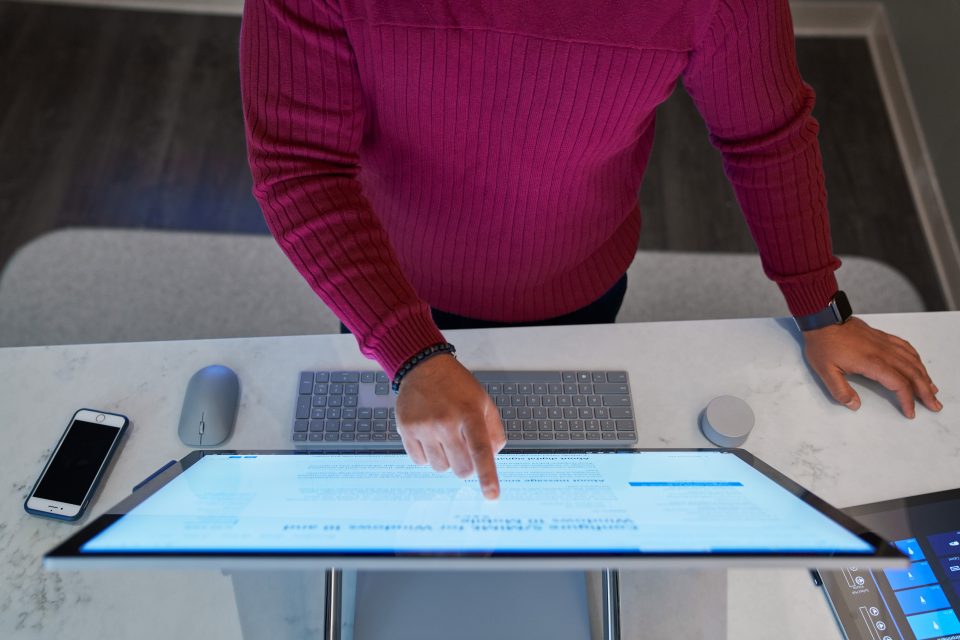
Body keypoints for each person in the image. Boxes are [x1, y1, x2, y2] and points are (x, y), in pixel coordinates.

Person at [240, 0, 941, 500]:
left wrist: (821, 308)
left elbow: (765, 136)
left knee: (556, 482)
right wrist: (409, 351)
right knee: (412, 487)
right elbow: (301, 165)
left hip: (579, 278)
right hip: (387, 278)